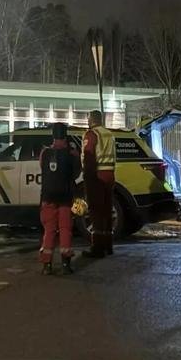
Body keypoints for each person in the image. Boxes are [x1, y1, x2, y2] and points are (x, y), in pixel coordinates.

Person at [39, 123, 82, 275]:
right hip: (66, 196)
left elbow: (42, 168)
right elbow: (77, 173)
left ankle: (47, 265)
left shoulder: (44, 153)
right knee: (65, 229)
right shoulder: (72, 153)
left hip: (47, 196)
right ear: (65, 135)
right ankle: (65, 264)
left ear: (53, 136)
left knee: (49, 230)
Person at [81, 110, 117, 258]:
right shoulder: (109, 134)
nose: (87, 121)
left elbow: (89, 156)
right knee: (106, 212)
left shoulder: (91, 134)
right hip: (110, 175)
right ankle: (108, 246)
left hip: (97, 176)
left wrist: (88, 177)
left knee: (95, 212)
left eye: (88, 118)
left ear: (92, 120)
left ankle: (97, 247)